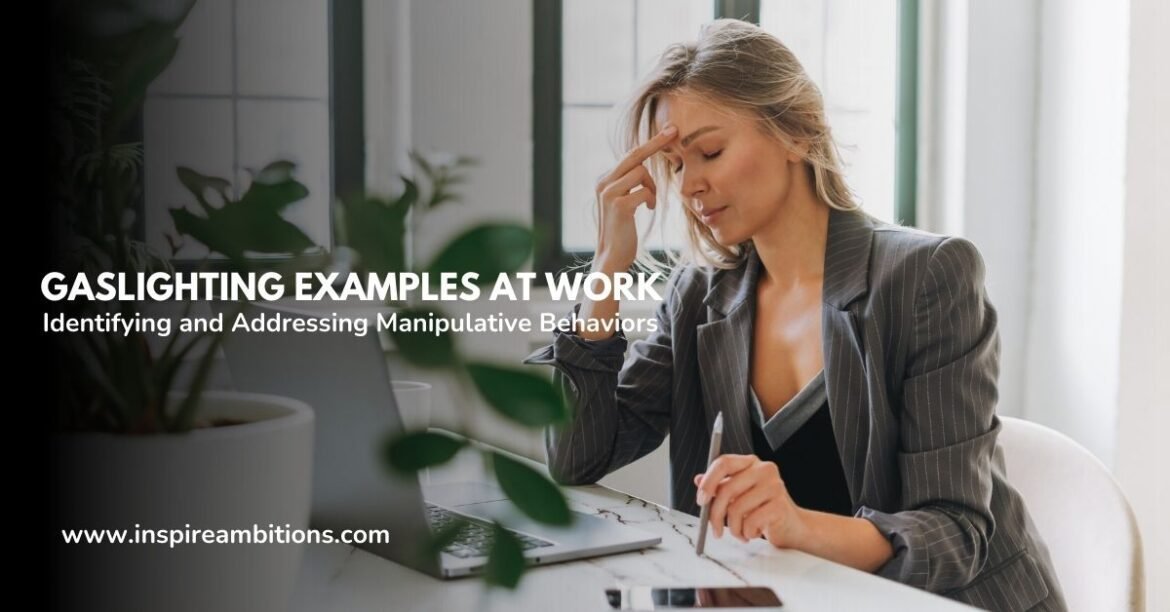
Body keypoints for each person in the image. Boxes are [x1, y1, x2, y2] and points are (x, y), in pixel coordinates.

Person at [523, 19, 1066, 612]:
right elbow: (577, 458)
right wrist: (606, 269)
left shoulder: (927, 277)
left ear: (797, 133)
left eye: (710, 151)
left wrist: (798, 525)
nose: (690, 186)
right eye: (677, 166)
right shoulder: (698, 295)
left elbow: (955, 533)